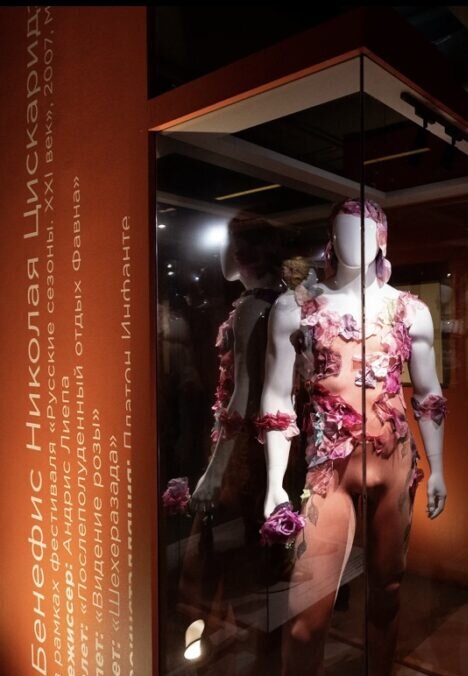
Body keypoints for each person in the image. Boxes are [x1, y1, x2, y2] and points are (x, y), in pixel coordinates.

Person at [258, 199, 447, 675]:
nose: (353, 242)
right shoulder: (295, 308)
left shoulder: (410, 311)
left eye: (364, 232)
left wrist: (438, 468)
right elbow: (277, 395)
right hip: (329, 471)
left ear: (382, 239)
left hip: (394, 462)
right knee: (306, 614)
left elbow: (428, 395)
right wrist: (274, 482)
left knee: (387, 593)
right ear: (329, 238)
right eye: (343, 231)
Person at [177, 217, 284, 670]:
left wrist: (214, 470)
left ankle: (212, 652)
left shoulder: (252, 308)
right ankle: (261, 657)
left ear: (242, 255)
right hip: (271, 443)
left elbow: (242, 393)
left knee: (211, 557)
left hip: (243, 450)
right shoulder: (282, 302)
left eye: (228, 245)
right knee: (260, 560)